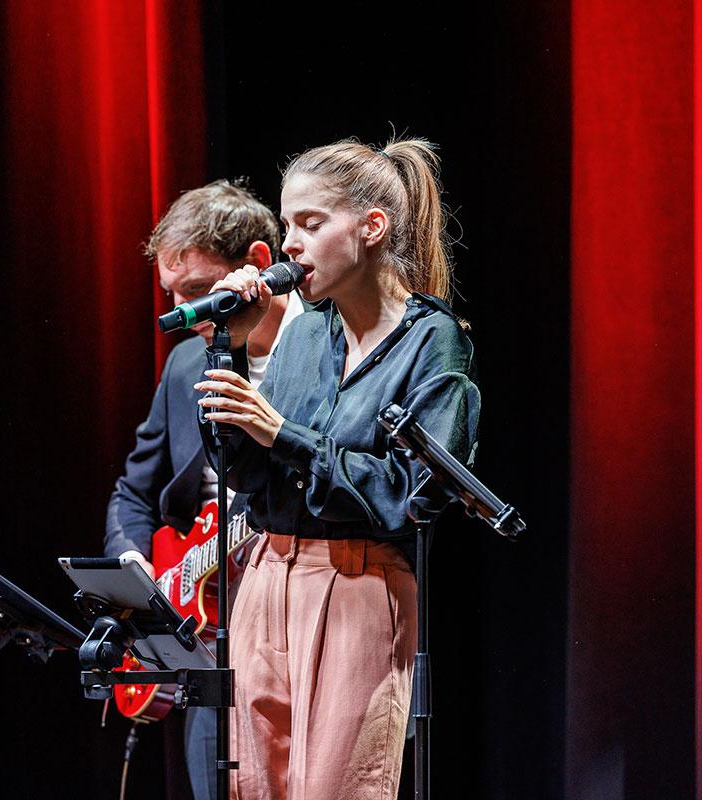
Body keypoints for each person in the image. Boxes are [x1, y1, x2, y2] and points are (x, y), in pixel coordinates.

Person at [195, 137, 481, 799]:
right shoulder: (300, 333)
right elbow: (247, 472)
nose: (289, 243)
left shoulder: (433, 341)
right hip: (268, 578)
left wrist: (284, 435)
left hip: (357, 585)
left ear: (371, 227)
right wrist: (230, 353)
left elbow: (413, 495)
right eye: (287, 223)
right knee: (254, 789)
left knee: (338, 787)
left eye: (309, 223)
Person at [105, 179, 306, 800]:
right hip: (211, 645)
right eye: (173, 295)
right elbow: (134, 491)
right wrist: (139, 570)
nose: (184, 313)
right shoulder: (186, 365)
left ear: (257, 264)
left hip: (299, 624)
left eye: (197, 293)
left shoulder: (329, 344)